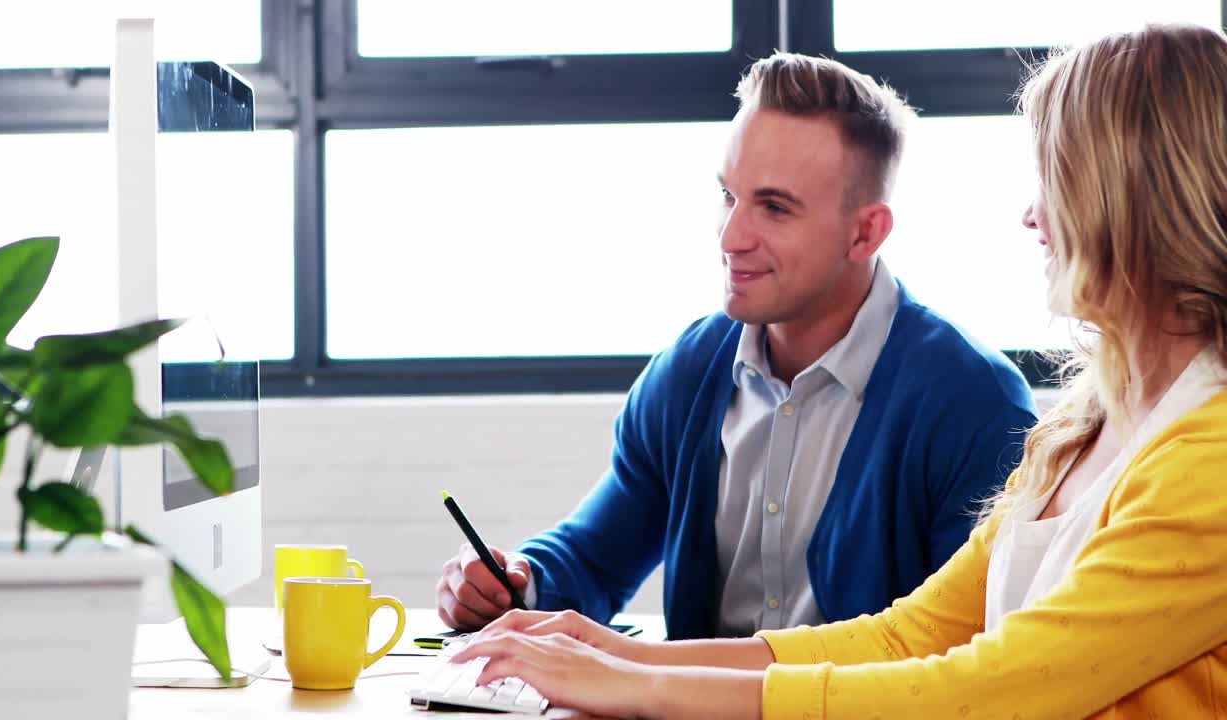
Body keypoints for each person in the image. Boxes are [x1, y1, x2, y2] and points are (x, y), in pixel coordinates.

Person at [451, 22, 1227, 719]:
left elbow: (984, 688)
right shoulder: (1078, 426)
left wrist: (638, 683)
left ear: (1137, 204)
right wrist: (613, 654)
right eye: (728, 197)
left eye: (1057, 181)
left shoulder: (1206, 459)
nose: (1031, 215)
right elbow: (911, 634)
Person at [437, 53, 1037, 641]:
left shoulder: (974, 402)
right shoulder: (691, 368)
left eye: (774, 207)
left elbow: (964, 651)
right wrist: (516, 581)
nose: (731, 237)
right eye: (729, 195)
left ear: (866, 232)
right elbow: (595, 557)